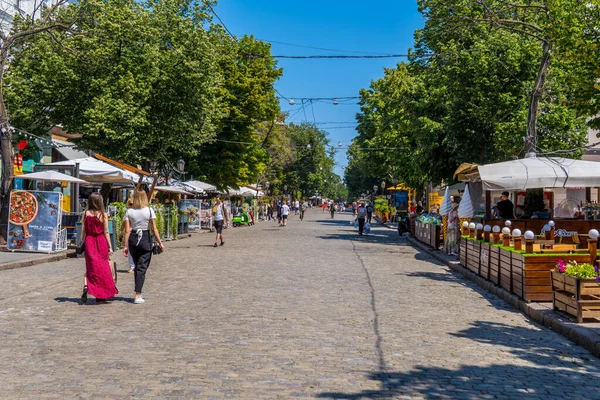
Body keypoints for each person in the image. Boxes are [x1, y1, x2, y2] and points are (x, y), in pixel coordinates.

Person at [123, 190, 164, 304]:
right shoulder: (149, 210)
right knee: (142, 267)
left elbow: (127, 230)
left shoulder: (129, 211)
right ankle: (137, 293)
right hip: (145, 238)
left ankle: (139, 291)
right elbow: (154, 228)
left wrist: (125, 246)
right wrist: (160, 242)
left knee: (137, 266)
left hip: (133, 239)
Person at [80, 192, 118, 304]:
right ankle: (102, 295)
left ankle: (90, 287)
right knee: (103, 268)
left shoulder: (85, 213)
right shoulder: (103, 214)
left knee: (92, 268)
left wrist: (82, 241)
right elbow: (106, 231)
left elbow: (83, 230)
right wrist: (110, 247)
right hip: (100, 241)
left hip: (89, 241)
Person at [118, 198, 136, 273]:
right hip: (131, 232)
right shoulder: (128, 212)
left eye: (132, 204)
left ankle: (135, 265)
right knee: (130, 250)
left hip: (135, 232)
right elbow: (124, 223)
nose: (131, 205)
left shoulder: (134, 212)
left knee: (134, 249)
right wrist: (121, 230)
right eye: (130, 204)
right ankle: (133, 266)